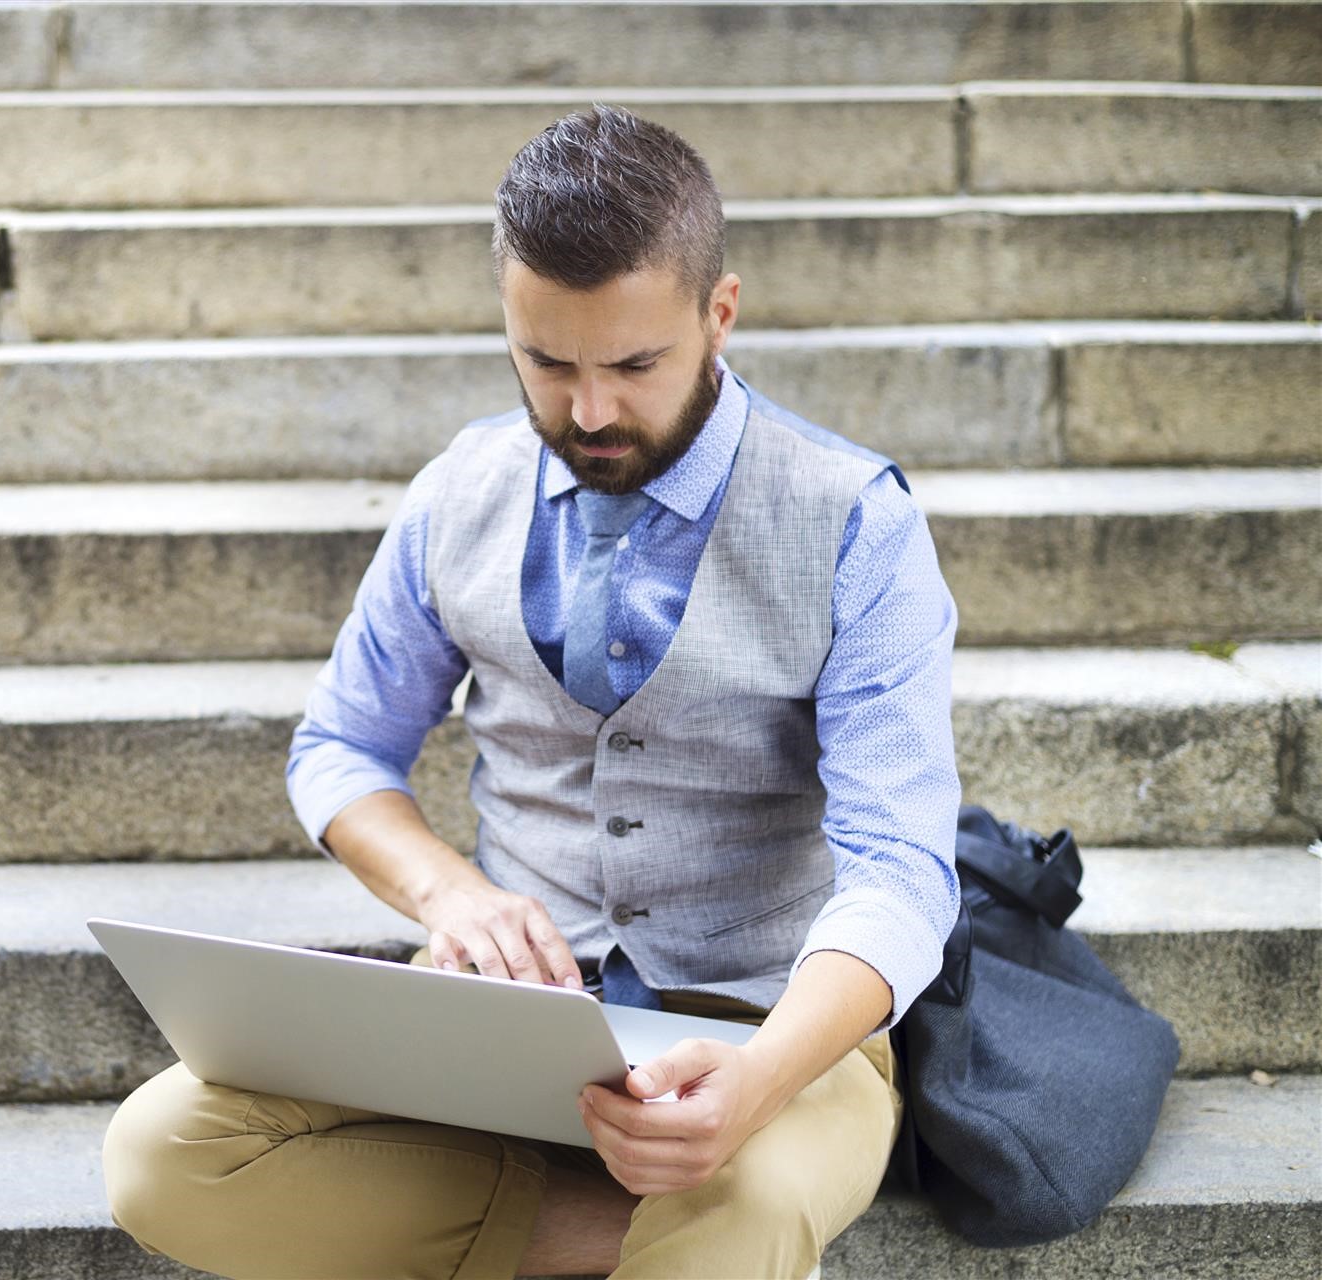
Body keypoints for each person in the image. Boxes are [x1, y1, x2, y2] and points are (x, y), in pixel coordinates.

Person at [101, 104, 961, 1279]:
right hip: (500, 1033)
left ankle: (673, 1225)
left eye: (633, 363)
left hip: (775, 1030)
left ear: (719, 313)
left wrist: (756, 1082)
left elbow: (903, 868)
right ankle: (614, 1241)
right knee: (166, 1149)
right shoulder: (457, 490)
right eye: (547, 363)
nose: (591, 410)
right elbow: (342, 748)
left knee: (746, 1203)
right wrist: (449, 894)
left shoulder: (856, 519)